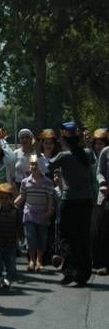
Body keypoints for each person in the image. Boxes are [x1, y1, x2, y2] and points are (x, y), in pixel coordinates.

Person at [48, 121, 94, 286]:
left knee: (66, 236)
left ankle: (70, 270)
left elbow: (48, 166)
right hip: (87, 199)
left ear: (63, 139)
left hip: (70, 200)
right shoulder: (88, 153)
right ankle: (84, 273)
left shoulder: (64, 156)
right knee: (83, 236)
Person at [15, 155, 56, 272]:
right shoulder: (25, 182)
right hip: (29, 215)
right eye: (32, 164)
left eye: (36, 164)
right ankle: (32, 260)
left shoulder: (48, 182)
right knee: (31, 238)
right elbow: (22, 197)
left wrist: (49, 212)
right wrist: (11, 206)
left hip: (43, 215)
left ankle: (39, 260)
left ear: (41, 166)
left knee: (42, 239)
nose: (33, 166)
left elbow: (50, 199)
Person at [0, 183, 23, 288]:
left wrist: (21, 236)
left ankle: (8, 278)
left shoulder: (15, 211)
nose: (4, 200)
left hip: (11, 243)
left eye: (6, 198)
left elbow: (19, 225)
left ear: (11, 198)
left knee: (11, 263)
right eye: (1, 198)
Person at [94, 132, 109, 276]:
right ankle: (103, 263)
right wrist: (103, 183)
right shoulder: (105, 152)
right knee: (103, 231)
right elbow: (99, 172)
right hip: (105, 196)